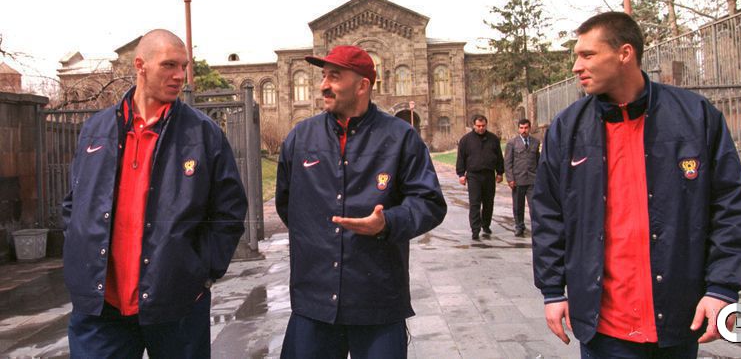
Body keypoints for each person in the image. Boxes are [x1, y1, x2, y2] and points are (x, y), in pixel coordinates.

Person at [531, 12, 741, 358]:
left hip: (678, 319)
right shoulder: (567, 128)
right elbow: (548, 213)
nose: (576, 66)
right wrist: (552, 291)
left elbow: (730, 205)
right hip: (603, 328)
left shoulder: (696, 116)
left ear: (625, 53)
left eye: (587, 55)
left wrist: (722, 287)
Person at [61, 29, 248, 358]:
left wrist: (200, 273)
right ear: (140, 66)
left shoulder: (202, 133)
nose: (180, 75)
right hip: (101, 310)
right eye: (169, 65)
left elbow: (229, 212)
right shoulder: (96, 129)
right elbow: (74, 204)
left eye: (183, 66)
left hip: (177, 305)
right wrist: (80, 257)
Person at [275, 45, 447, 358]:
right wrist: (319, 239)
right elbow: (287, 205)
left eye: (334, 76)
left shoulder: (400, 137)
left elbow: (430, 202)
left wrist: (388, 223)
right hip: (314, 302)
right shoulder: (300, 137)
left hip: (377, 301)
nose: (323, 85)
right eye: (324, 76)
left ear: (362, 85)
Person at [456, 115, 504, 240]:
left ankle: (486, 224)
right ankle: (475, 229)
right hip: (473, 175)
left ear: (486, 125)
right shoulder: (466, 140)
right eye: (478, 126)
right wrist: (461, 174)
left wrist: (500, 172)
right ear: (474, 125)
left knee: (488, 202)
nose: (481, 128)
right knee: (475, 203)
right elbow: (461, 158)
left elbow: (499, 157)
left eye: (483, 126)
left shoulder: (493, 139)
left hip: (489, 174)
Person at [504, 118, 540, 237]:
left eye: (526, 128)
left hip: (532, 179)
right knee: (518, 205)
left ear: (530, 128)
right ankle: (519, 226)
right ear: (518, 129)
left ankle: (536, 227)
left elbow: (538, 160)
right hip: (518, 179)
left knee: (534, 205)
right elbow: (508, 162)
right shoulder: (512, 143)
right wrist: (510, 179)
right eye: (521, 128)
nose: (524, 130)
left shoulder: (535, 142)